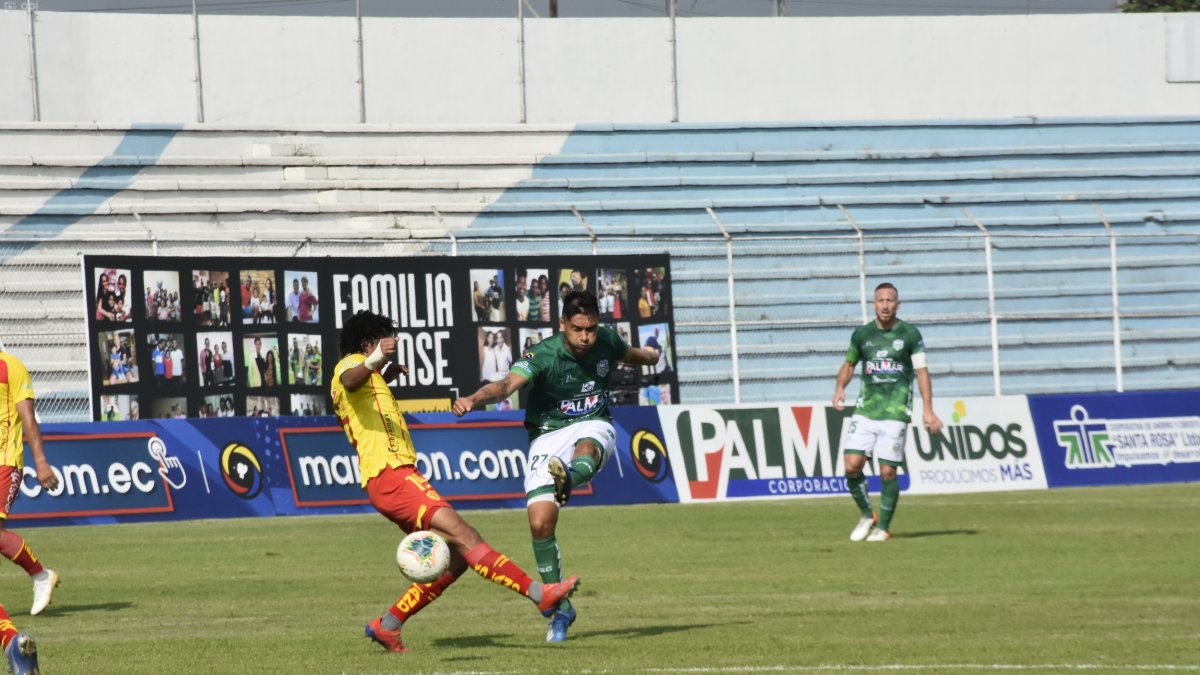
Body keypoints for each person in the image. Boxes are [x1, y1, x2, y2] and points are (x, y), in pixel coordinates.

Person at [330, 310, 579, 653]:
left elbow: (363, 396)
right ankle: (541, 595)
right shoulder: (351, 365)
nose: (390, 347)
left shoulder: (371, 375)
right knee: (466, 536)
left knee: (458, 556)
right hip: (392, 476)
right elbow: (349, 381)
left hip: (393, 478)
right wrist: (375, 358)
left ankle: (387, 625)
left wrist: (387, 372)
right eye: (382, 340)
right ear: (366, 343)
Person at [452, 291, 660, 642]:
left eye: (591, 329)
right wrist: (474, 398)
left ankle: (570, 479)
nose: (585, 337)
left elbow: (632, 354)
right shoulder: (544, 354)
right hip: (547, 435)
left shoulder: (605, 341)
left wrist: (651, 356)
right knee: (539, 523)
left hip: (593, 423)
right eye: (578, 329)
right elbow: (505, 386)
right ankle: (560, 607)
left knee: (588, 447)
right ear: (562, 323)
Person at [832, 282, 944, 542]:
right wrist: (839, 387)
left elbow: (922, 372)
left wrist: (928, 410)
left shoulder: (910, 334)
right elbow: (849, 364)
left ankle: (883, 527)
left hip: (895, 412)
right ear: (873, 304)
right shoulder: (862, 335)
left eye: (890, 300)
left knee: (887, 472)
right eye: (880, 300)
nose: (885, 305)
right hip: (866, 409)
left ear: (897, 304)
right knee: (852, 465)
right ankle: (866, 514)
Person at [0, 351, 61, 628]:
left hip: (6, 462)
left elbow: (29, 419)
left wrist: (41, 463)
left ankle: (41, 576)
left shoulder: (11, 366)